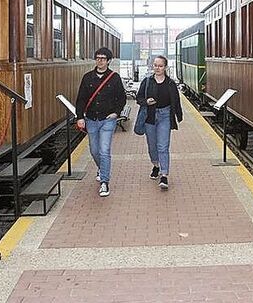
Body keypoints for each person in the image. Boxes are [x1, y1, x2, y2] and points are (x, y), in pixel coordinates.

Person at [75, 47, 126, 197]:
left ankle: (104, 182)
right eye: (98, 58)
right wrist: (80, 117)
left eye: (103, 58)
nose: (100, 61)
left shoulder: (114, 78)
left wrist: (116, 113)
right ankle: (101, 168)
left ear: (108, 61)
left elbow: (121, 98)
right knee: (94, 150)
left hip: (107, 120)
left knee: (104, 151)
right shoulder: (87, 77)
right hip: (91, 119)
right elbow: (81, 99)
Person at [136, 55, 183, 190]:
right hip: (150, 117)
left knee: (163, 146)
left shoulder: (170, 84)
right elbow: (138, 98)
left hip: (165, 116)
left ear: (165, 67)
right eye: (155, 65)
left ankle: (164, 175)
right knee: (152, 146)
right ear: (152, 66)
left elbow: (176, 100)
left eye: (160, 66)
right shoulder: (147, 82)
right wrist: (146, 102)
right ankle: (156, 165)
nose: (157, 68)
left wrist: (178, 116)